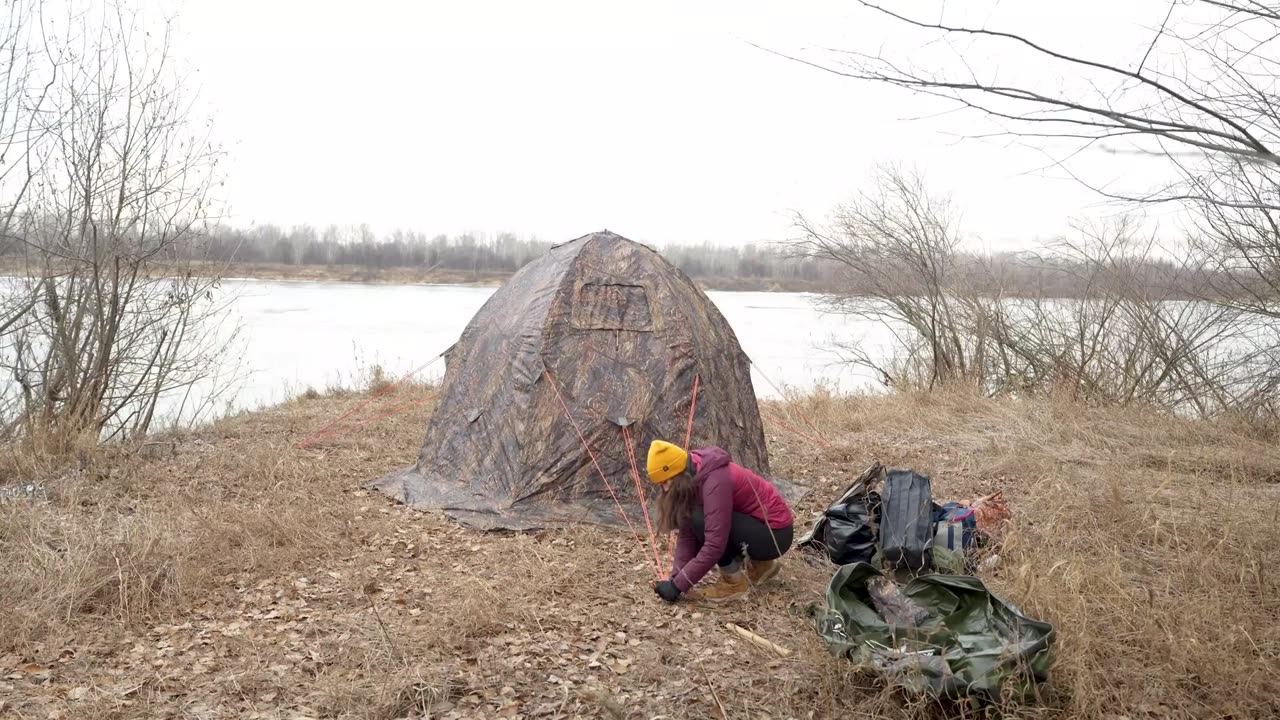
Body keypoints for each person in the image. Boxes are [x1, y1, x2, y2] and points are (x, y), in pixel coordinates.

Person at [647, 440, 795, 603]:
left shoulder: (714, 481)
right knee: (695, 518)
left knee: (700, 520)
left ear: (678, 473)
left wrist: (678, 586)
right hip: (759, 527)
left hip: (775, 535)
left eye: (667, 482)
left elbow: (714, 545)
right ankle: (762, 567)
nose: (666, 489)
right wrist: (675, 580)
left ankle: (733, 583)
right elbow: (687, 534)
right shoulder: (694, 472)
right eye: (661, 484)